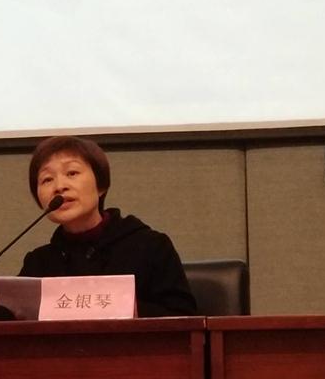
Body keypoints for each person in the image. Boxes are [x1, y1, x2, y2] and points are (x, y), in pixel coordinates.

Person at [18, 135, 197, 317]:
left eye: (72, 173)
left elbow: (184, 318)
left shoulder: (151, 247)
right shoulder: (38, 263)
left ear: (101, 185)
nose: (59, 186)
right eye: (47, 179)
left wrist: (120, 306)